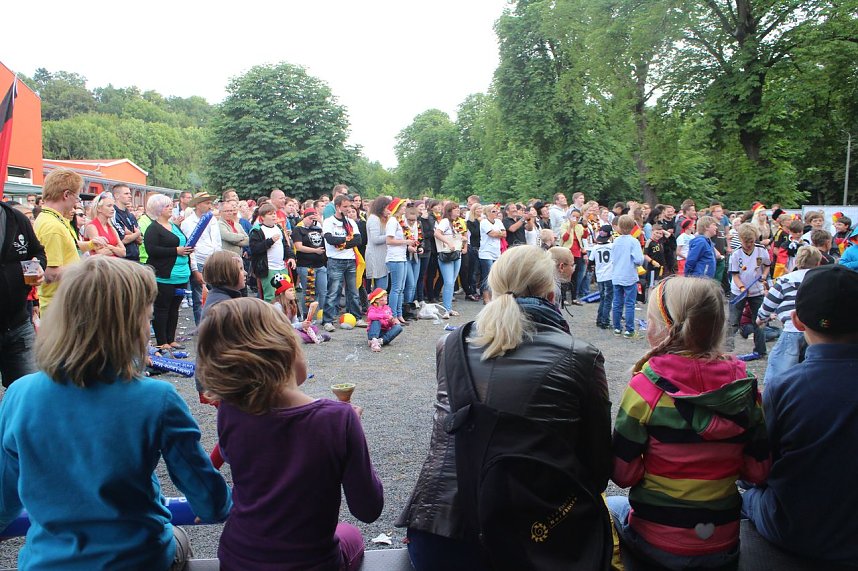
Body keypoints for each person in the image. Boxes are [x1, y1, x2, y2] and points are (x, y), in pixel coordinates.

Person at [0, 256, 232, 570]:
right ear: (128, 325)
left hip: (46, 561)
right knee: (178, 539)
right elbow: (210, 502)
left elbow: (4, 502)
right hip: (138, 557)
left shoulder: (20, 394)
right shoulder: (158, 398)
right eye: (147, 318)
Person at [397, 245, 612, 570]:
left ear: (492, 287)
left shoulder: (450, 345)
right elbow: (597, 468)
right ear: (551, 291)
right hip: (536, 538)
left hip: (438, 533)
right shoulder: (580, 356)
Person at [196, 297, 383, 570]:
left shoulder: (230, 411)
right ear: (286, 350)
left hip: (237, 559)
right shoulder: (338, 419)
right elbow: (368, 509)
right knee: (350, 533)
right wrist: (354, 433)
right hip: (313, 563)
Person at [609, 276, 770, 570]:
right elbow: (757, 471)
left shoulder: (645, 389)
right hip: (722, 542)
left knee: (611, 505)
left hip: (656, 542)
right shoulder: (746, 390)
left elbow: (623, 474)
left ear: (661, 329)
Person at [741, 264, 858, 566]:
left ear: (796, 320)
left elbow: (761, 464)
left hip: (795, 530)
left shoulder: (784, 386)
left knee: (743, 492)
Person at [34, 169, 99, 315]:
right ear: (66, 195)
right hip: (58, 305)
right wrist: (89, 269)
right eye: (76, 197)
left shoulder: (54, 220)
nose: (77, 202)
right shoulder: (52, 226)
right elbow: (50, 273)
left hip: (62, 301)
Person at [756, 246, 821, 384]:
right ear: (817, 263)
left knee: (779, 368)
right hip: (815, 331)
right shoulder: (820, 280)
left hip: (792, 329)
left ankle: (773, 396)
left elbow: (769, 302)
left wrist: (761, 317)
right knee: (812, 367)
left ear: (797, 262)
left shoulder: (785, 280)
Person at [0, 199, 45, 387]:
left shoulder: (14, 218)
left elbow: (38, 252)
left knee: (30, 391)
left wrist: (39, 265)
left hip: (19, 324)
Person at [144, 194, 194, 351]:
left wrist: (187, 249)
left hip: (181, 273)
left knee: (175, 307)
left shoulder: (175, 226)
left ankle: (171, 338)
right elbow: (152, 250)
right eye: (166, 206)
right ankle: (162, 340)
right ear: (158, 210)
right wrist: (175, 250)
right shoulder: (153, 228)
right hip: (165, 275)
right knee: (162, 308)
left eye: (170, 205)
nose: (170, 208)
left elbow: (183, 242)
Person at [725, 223, 772, 358]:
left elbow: (767, 265)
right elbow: (735, 275)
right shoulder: (736, 254)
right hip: (739, 291)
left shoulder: (761, 250)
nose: (749, 244)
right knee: (733, 321)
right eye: (746, 242)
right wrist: (742, 288)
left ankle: (761, 350)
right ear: (740, 240)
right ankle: (726, 349)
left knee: (759, 320)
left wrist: (764, 275)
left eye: (751, 241)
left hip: (757, 291)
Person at [321, 194, 365, 331]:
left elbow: (358, 240)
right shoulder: (329, 221)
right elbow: (330, 239)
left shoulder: (351, 222)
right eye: (344, 207)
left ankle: (356, 317)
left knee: (353, 291)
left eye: (349, 207)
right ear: (337, 207)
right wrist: (347, 241)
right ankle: (328, 320)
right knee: (334, 291)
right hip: (335, 260)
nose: (347, 209)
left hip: (350, 259)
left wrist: (343, 243)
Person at [181, 191, 223, 325]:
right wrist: (194, 269)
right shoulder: (188, 223)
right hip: (199, 261)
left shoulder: (212, 220)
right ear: (198, 205)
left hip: (213, 260)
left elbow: (217, 242)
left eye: (210, 203)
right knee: (199, 297)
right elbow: (190, 247)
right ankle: (201, 326)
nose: (210, 206)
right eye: (207, 203)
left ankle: (215, 323)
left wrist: (219, 259)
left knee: (216, 294)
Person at [249, 203, 295, 303]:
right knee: (270, 296)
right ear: (262, 217)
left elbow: (285, 245)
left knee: (286, 295)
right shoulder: (257, 230)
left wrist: (291, 256)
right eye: (270, 214)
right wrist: (270, 241)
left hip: (281, 267)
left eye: (274, 213)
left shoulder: (278, 227)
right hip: (268, 268)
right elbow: (254, 249)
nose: (274, 216)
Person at [611, 215, 644, 338]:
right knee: (629, 303)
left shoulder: (616, 241)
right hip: (629, 275)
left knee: (617, 302)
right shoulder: (633, 241)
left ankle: (617, 327)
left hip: (616, 275)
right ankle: (629, 329)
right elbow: (639, 259)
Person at [384, 198, 415, 325]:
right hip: (394, 257)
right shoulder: (392, 221)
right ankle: (393, 315)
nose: (404, 208)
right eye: (402, 206)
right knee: (396, 288)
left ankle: (399, 314)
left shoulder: (400, 221)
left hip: (401, 257)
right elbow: (389, 241)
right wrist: (406, 242)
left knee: (401, 288)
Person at [293, 207, 328, 315]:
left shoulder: (318, 228)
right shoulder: (298, 229)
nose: (312, 221)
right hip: (306, 265)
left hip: (320, 265)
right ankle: (306, 315)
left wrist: (321, 221)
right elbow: (299, 246)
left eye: (314, 219)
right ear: (304, 217)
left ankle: (323, 314)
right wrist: (315, 250)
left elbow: (327, 235)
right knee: (309, 293)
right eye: (310, 218)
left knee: (323, 291)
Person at [434, 202, 466, 317]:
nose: (458, 211)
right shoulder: (445, 221)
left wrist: (461, 238)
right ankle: (446, 309)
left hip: (456, 253)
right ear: (449, 211)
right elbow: (437, 233)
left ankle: (449, 307)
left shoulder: (457, 223)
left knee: (452, 281)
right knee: (448, 281)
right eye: (455, 209)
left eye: (458, 209)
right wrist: (448, 241)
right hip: (446, 253)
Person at [478, 205, 506, 304]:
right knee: (487, 275)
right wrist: (498, 233)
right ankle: (486, 297)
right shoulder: (484, 222)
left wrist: (497, 233)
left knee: (495, 275)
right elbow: (492, 234)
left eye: (497, 211)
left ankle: (494, 296)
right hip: (486, 252)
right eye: (494, 211)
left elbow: (504, 234)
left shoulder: (498, 222)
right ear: (488, 213)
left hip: (496, 251)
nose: (496, 213)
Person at [84, 192, 126, 257]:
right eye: (109, 206)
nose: (113, 209)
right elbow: (100, 253)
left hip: (113, 264)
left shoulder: (111, 227)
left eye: (113, 206)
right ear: (99, 208)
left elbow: (123, 252)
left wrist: (110, 247)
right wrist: (116, 248)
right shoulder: (92, 226)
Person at [365, 196, 391, 292]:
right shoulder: (374, 219)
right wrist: (390, 236)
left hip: (382, 255)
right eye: (387, 208)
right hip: (376, 256)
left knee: (383, 285)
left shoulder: (381, 219)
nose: (389, 210)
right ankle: (377, 307)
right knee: (381, 288)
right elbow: (375, 239)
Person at [590, 224, 614, 329]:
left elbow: (590, 262)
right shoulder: (612, 246)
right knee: (608, 299)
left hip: (600, 275)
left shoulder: (595, 248)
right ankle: (605, 321)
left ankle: (599, 319)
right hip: (610, 275)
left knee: (603, 298)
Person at [366, 287, 403, 352]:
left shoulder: (387, 308)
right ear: (377, 300)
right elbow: (370, 316)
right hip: (375, 331)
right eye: (383, 296)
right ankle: (374, 340)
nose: (386, 298)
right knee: (376, 320)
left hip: (385, 332)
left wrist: (391, 322)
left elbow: (389, 325)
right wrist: (385, 316)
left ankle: (381, 341)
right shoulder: (373, 308)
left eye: (386, 296)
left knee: (398, 327)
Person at [112, 183, 143, 262]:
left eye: (129, 193)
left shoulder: (130, 215)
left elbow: (140, 240)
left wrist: (132, 235)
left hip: (135, 258)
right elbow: (122, 239)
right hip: (122, 260)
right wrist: (136, 234)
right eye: (126, 193)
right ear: (116, 196)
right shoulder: (114, 214)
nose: (130, 196)